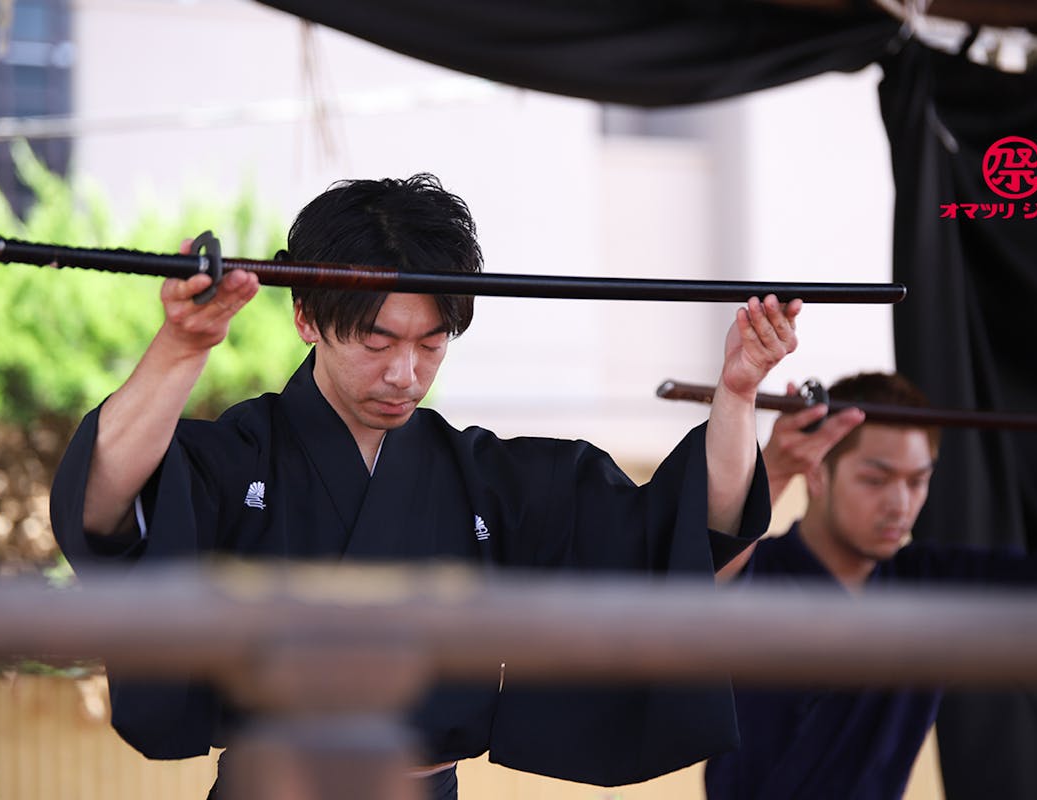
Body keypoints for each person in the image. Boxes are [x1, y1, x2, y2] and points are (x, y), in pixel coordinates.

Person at [49, 174, 801, 799]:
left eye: (430, 342)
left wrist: (736, 392)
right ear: (306, 314)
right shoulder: (243, 455)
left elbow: (686, 538)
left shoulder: (483, 479)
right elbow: (105, 505)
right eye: (377, 339)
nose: (405, 372)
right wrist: (183, 346)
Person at [705, 371, 1037, 800]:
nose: (900, 504)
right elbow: (704, 581)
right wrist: (775, 471)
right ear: (819, 472)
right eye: (875, 480)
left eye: (918, 481)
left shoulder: (930, 585)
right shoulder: (757, 574)